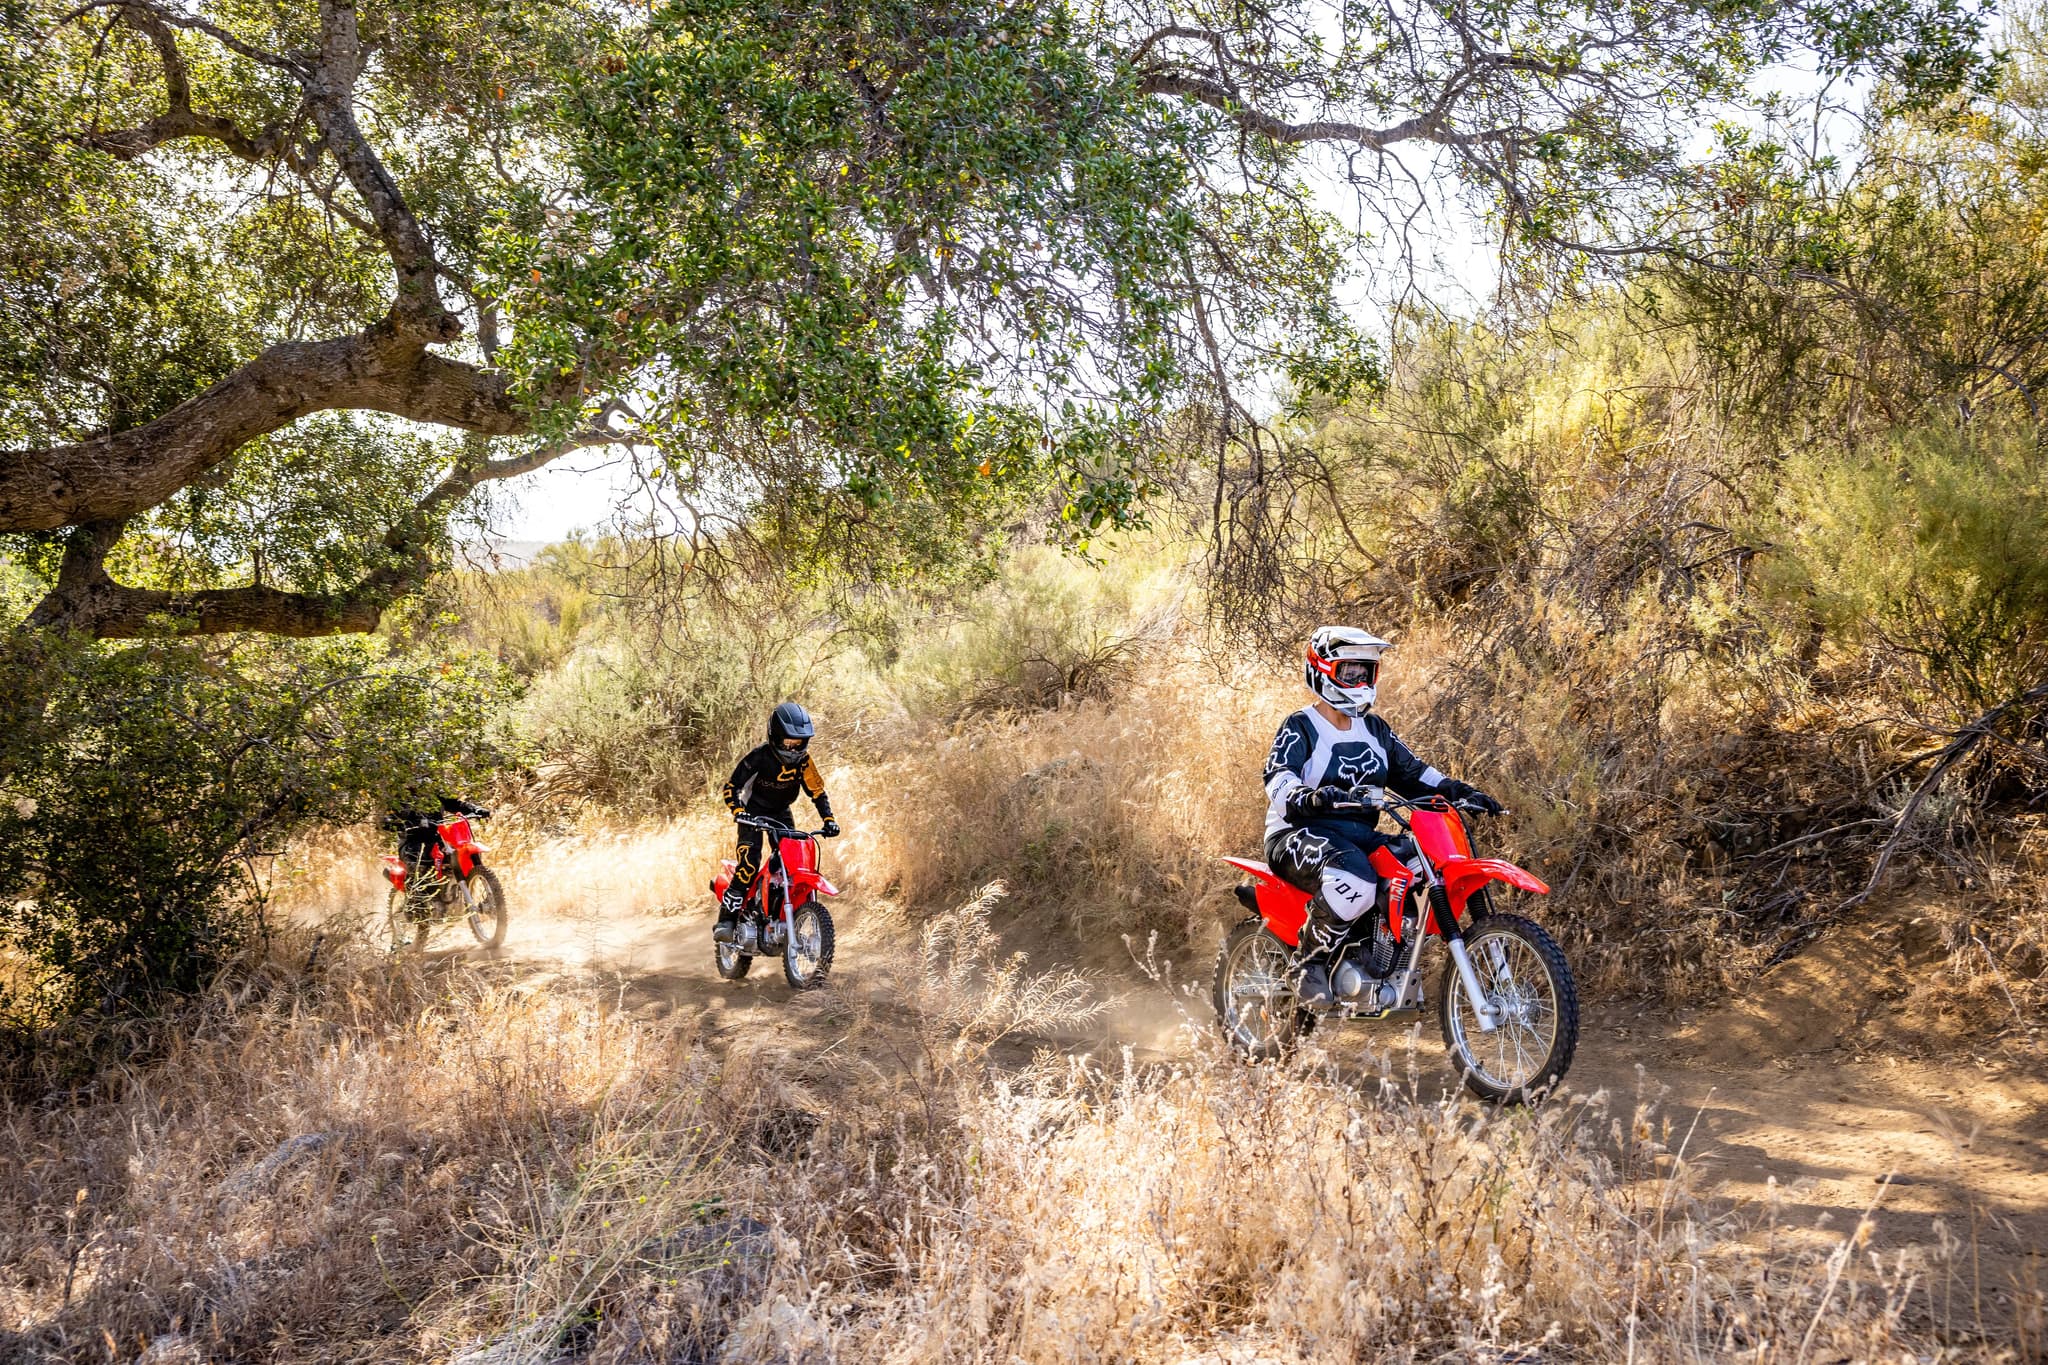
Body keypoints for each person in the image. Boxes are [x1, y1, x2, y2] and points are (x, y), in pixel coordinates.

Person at [1263, 626, 1502, 1005]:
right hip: (1297, 833)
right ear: (1323, 671)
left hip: (1356, 835)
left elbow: (1415, 774)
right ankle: (1307, 964)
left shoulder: (1374, 729)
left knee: (1421, 866)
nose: (1359, 681)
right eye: (1350, 672)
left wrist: (1460, 792)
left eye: (1365, 672)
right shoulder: (1301, 726)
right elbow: (1277, 778)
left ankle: (1375, 955)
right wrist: (1309, 797)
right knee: (1354, 877)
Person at [715, 701, 839, 943]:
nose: (793, 748)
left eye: (799, 743)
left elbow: (817, 792)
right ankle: (726, 920)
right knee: (749, 863)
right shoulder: (759, 757)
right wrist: (739, 811)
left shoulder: (805, 762)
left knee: (791, 864)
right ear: (775, 736)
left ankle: (775, 909)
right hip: (752, 812)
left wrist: (829, 820)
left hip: (781, 812)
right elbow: (732, 787)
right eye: (788, 742)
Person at [381, 796, 491, 890]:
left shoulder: (434, 794)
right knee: (418, 863)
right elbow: (387, 819)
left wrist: (476, 809)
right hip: (411, 842)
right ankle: (416, 902)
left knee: (455, 852)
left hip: (437, 839)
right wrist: (397, 823)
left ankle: (481, 893)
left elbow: (455, 804)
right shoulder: (402, 797)